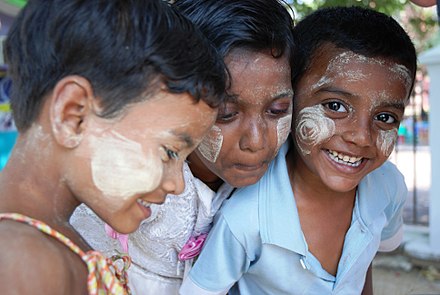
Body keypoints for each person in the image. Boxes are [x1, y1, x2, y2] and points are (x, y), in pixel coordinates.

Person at [180, 6, 417, 295]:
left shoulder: (388, 187)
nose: (361, 137)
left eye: (385, 117)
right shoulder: (244, 218)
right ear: (294, 95)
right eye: (335, 106)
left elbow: (361, 261)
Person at [0, 0, 227, 293]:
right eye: (169, 152)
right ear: (73, 115)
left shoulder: (42, 247)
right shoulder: (23, 263)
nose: (178, 185)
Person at [70, 0, 295, 294]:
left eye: (277, 110)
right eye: (226, 114)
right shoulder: (135, 179)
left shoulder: (285, 175)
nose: (256, 141)